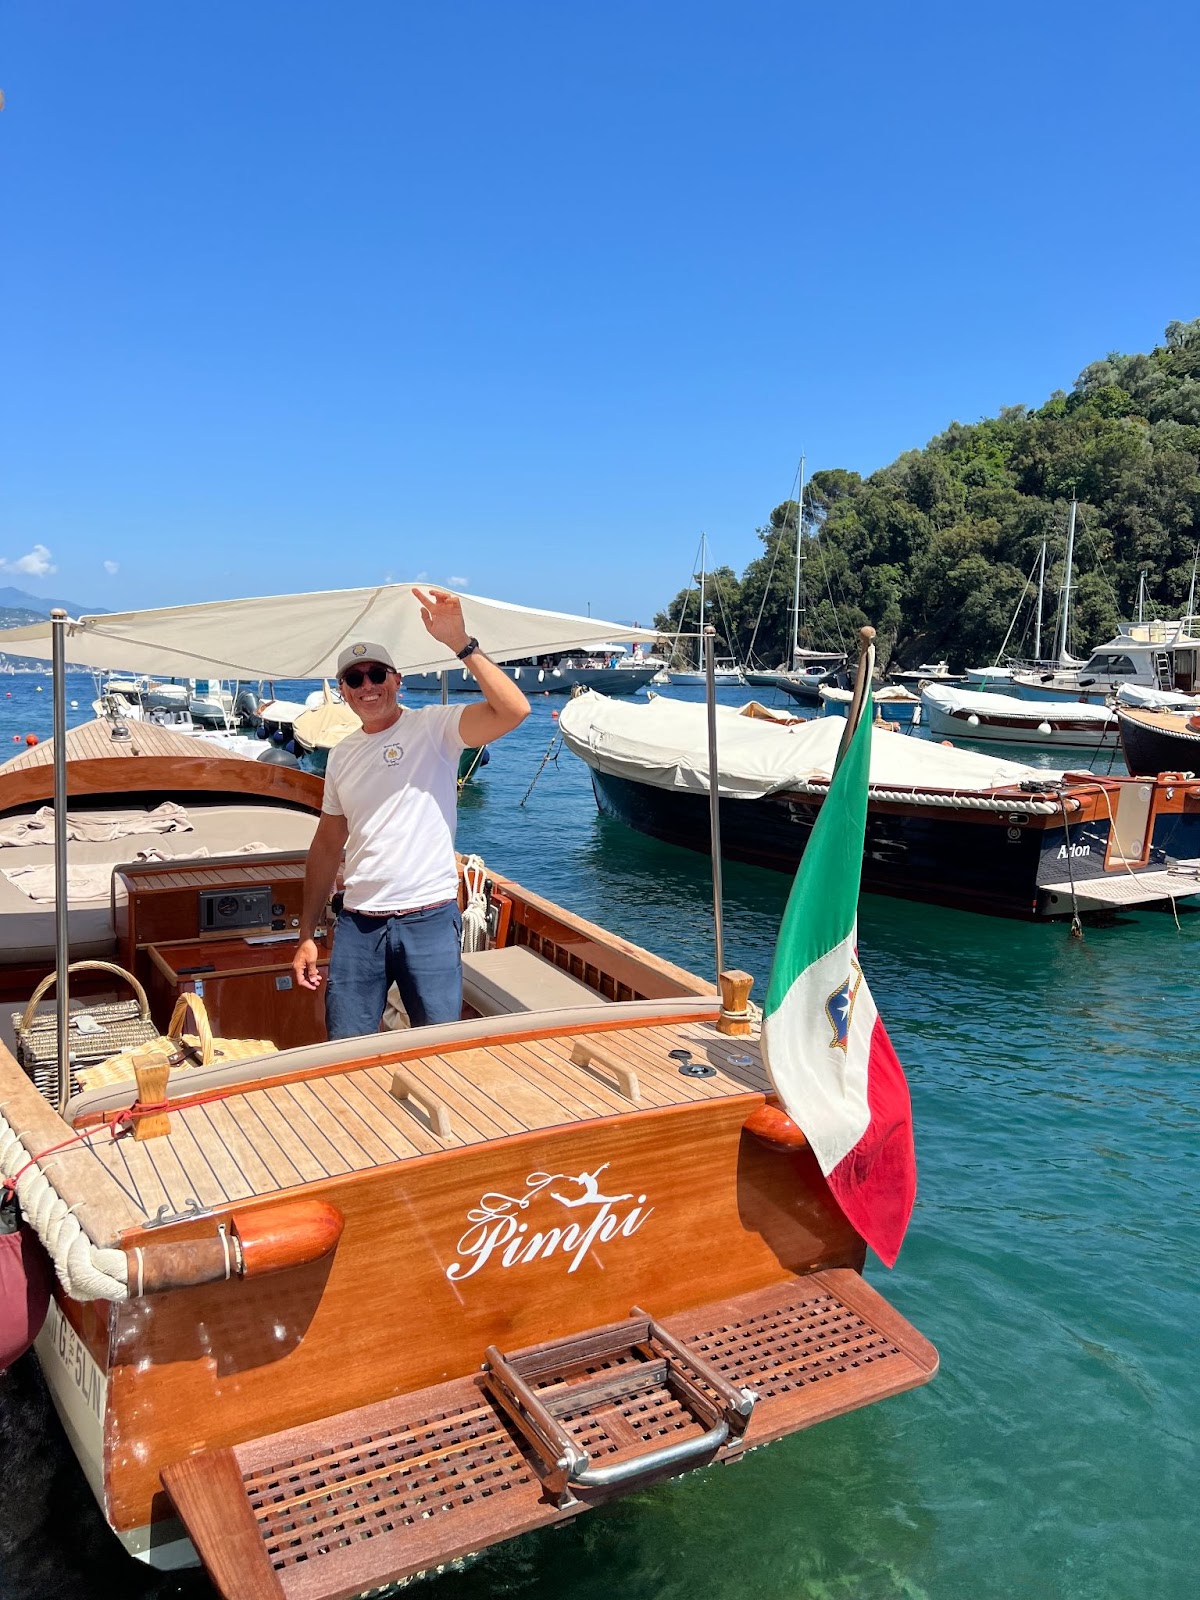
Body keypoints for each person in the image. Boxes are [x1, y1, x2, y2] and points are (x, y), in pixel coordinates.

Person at [291, 588, 529, 1038]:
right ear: (342, 692)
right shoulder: (341, 756)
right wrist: (305, 934)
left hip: (429, 918)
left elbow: (514, 709)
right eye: (355, 679)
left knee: (437, 1047)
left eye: (377, 674)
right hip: (359, 921)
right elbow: (326, 845)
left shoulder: (434, 728)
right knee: (346, 1045)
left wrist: (460, 643)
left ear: (396, 680)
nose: (368, 686)